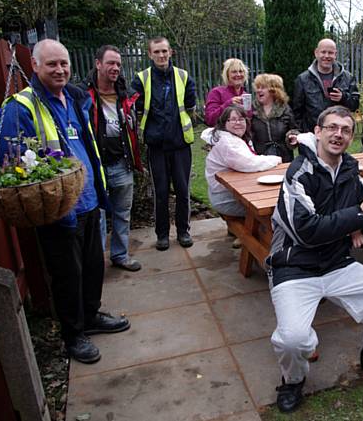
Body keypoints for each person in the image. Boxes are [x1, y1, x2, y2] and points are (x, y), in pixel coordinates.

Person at [0, 39, 130, 363]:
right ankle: (73, 335)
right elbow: (5, 159)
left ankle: (91, 316)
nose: (59, 69)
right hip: (58, 211)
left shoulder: (74, 98)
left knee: (93, 268)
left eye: (63, 63)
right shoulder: (21, 106)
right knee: (68, 276)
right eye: (51, 64)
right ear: (35, 66)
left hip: (89, 202)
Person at [268, 106, 363, 413]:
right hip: (294, 267)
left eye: (345, 130)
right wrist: (355, 218)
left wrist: (360, 223)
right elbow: (305, 231)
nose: (338, 135)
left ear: (351, 137)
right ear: (317, 132)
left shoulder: (351, 171)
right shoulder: (298, 173)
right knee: (293, 340)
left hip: (336, 263)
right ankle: (293, 380)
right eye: (331, 128)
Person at [80, 44, 143, 272]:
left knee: (122, 214)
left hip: (122, 164)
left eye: (118, 64)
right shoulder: (82, 95)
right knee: (97, 218)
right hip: (96, 168)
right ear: (98, 64)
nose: (115, 68)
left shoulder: (125, 95)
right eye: (110, 63)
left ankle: (120, 255)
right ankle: (96, 263)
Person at [131, 37, 197, 251]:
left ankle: (183, 231)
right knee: (160, 192)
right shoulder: (141, 79)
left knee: (183, 190)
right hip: (156, 146)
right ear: (150, 54)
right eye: (156, 52)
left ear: (171, 52)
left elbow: (190, 105)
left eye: (164, 51)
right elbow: (137, 108)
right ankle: (162, 235)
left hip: (180, 145)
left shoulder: (183, 76)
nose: (161, 55)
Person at [203, 105, 282, 218]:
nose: (238, 122)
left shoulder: (235, 138)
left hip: (231, 192)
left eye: (241, 119)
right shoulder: (227, 143)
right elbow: (249, 163)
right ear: (224, 123)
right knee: (275, 207)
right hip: (226, 198)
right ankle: (267, 234)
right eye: (233, 119)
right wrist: (275, 159)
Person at [292, 39, 359, 133]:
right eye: (323, 52)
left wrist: (343, 97)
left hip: (338, 134)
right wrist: (302, 134)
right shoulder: (303, 79)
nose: (326, 56)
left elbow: (355, 105)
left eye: (330, 53)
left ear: (335, 54)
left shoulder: (347, 78)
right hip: (312, 134)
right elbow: (297, 111)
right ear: (316, 53)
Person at [251, 73, 298, 162]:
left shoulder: (285, 109)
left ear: (273, 90)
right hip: (260, 158)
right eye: (257, 87)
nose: (258, 90)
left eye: (262, 87)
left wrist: (292, 136)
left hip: (283, 157)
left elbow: (294, 129)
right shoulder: (252, 109)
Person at [204, 58, 251, 126]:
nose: (238, 74)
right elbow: (210, 120)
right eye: (234, 72)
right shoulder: (216, 93)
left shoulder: (245, 96)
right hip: (223, 135)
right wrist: (228, 104)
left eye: (241, 71)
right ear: (227, 74)